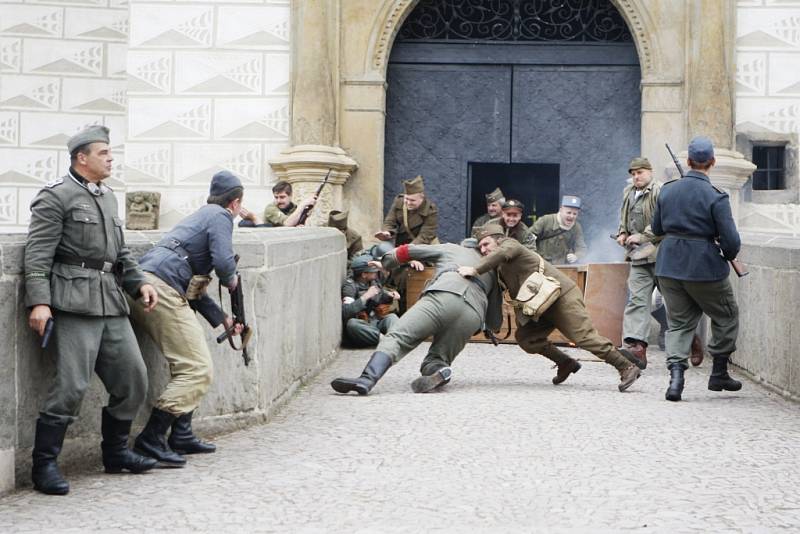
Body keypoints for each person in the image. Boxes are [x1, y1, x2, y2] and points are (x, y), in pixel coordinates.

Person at [24, 125, 159, 495]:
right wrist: (39, 302)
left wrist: (139, 282)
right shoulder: (56, 197)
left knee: (134, 379)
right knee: (71, 386)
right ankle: (44, 466)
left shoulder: (108, 198)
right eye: (104, 153)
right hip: (72, 303)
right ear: (81, 158)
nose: (111, 158)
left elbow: (121, 253)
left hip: (110, 302)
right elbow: (37, 255)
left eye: (110, 152)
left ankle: (115, 455)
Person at [128, 170, 246, 466]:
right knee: (197, 367)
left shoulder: (199, 216)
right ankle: (151, 439)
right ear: (235, 202)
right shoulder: (220, 215)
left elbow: (194, 289)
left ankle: (181, 433)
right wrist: (231, 279)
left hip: (149, 283)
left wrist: (223, 321)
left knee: (187, 361)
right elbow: (222, 262)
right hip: (163, 288)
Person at [458, 224, 644, 392]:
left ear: (498, 240)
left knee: (583, 337)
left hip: (561, 297)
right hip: (540, 305)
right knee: (526, 338)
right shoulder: (498, 266)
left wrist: (475, 269)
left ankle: (626, 366)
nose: (483, 250)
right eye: (480, 247)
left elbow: (502, 253)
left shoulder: (510, 245)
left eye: (486, 244)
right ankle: (565, 363)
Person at [331, 241, 503, 395]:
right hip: (472, 314)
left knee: (397, 337)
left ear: (466, 245)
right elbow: (495, 321)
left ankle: (366, 379)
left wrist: (387, 261)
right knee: (438, 358)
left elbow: (409, 251)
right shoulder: (493, 274)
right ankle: (440, 370)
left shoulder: (452, 248)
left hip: (443, 296)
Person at [651, 136, 742, 402]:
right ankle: (719, 373)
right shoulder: (716, 196)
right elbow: (732, 241)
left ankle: (676, 380)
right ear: (712, 162)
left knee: (678, 323)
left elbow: (657, 229)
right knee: (726, 315)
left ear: (689, 161)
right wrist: (727, 253)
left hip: (668, 266)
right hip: (705, 268)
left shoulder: (667, 190)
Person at [615, 157, 662, 367]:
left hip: (661, 255)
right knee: (637, 299)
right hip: (639, 257)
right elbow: (623, 217)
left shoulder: (660, 191)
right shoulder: (628, 192)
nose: (636, 177)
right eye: (633, 174)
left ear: (650, 172)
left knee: (674, 303)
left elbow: (662, 222)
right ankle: (637, 347)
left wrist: (642, 236)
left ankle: (692, 342)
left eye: (640, 172)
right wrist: (623, 233)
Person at [341, 255, 400, 348]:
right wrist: (365, 296)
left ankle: (396, 338)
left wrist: (389, 295)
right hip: (362, 326)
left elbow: (380, 294)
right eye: (373, 272)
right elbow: (346, 311)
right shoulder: (350, 286)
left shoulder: (372, 281)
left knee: (392, 317)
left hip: (375, 321)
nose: (376, 274)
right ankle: (385, 340)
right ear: (364, 274)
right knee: (352, 324)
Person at [375, 175, 439, 246]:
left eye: (412, 200)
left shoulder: (430, 210)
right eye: (406, 199)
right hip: (400, 243)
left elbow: (425, 236)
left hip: (421, 245)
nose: (408, 203)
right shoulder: (399, 202)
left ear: (422, 198)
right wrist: (387, 232)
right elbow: (390, 221)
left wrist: (407, 249)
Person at [531, 195, 587, 264]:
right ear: (561, 210)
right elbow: (528, 239)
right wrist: (534, 256)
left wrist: (576, 256)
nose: (571, 216)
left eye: (575, 214)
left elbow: (581, 248)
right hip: (542, 265)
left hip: (563, 266)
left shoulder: (576, 227)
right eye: (568, 212)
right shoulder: (546, 220)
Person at [239, 180, 316, 227]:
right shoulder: (271, 208)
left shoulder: (294, 209)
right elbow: (287, 223)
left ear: (290, 196)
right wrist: (302, 205)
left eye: (282, 197)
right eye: (276, 197)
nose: (278, 200)